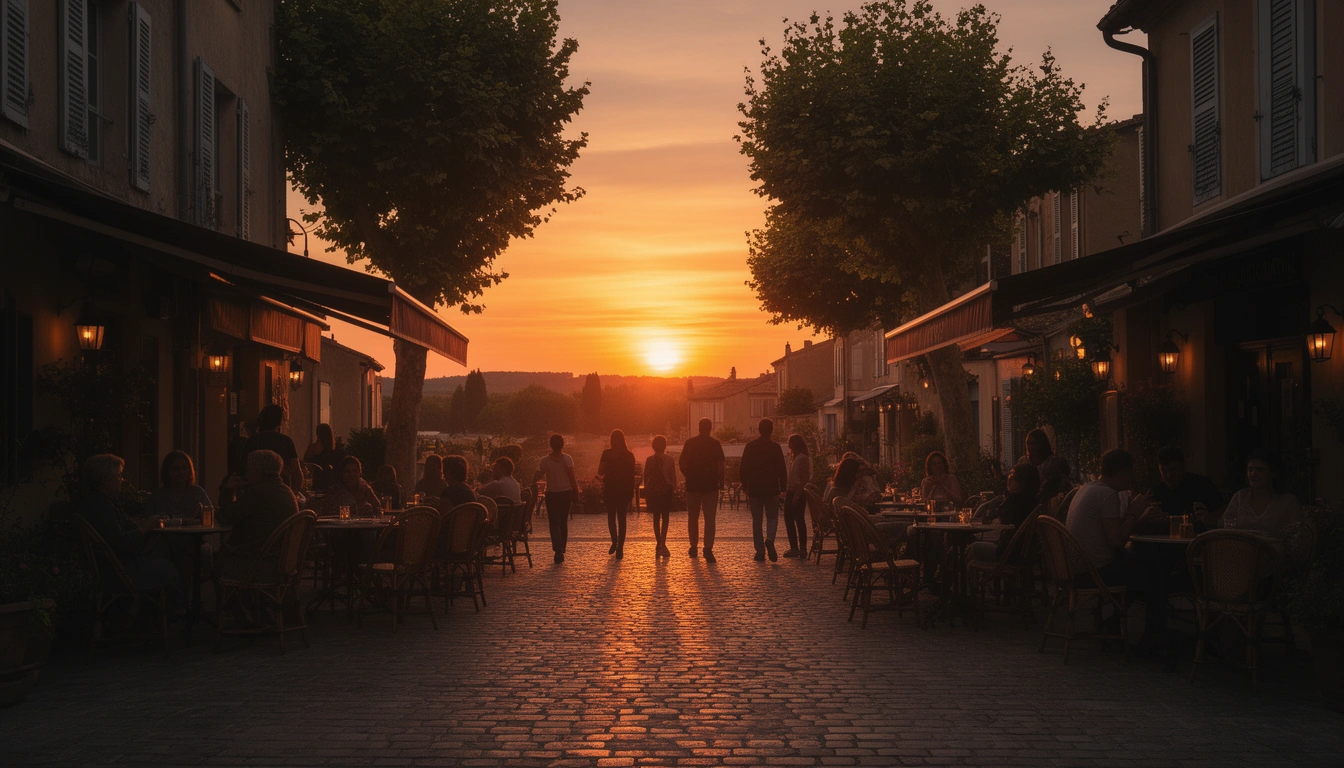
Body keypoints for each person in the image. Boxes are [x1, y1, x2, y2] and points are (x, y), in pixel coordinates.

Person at [1065, 449, 1170, 646]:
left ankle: (1115, 623)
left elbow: (1109, 531)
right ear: (1122, 472)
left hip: (1076, 568)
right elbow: (1116, 541)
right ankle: (1153, 638)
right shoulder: (1108, 495)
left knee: (1141, 563)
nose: (1132, 478)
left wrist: (1132, 516)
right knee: (1154, 572)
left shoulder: (1087, 488)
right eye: (1131, 473)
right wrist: (1133, 514)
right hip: (1094, 572)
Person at [74, 454, 181, 599]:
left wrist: (142, 524)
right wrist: (145, 528)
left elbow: (122, 527)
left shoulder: (102, 501)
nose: (122, 480)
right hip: (118, 572)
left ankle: (147, 613)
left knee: (164, 558)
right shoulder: (101, 506)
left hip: (116, 566)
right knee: (169, 567)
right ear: (106, 480)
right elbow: (120, 542)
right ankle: (172, 614)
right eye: (118, 476)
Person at [217, 450, 300, 580]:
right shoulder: (286, 491)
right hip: (283, 562)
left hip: (260, 563)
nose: (247, 474)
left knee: (219, 562)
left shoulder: (258, 492)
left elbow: (227, 516)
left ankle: (232, 599)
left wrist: (227, 490)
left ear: (257, 471)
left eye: (249, 470)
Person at [1143, 445, 1225, 532]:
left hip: (1195, 540)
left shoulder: (1201, 485)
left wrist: (1209, 518)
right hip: (1162, 541)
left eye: (1173, 469)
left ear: (1183, 466)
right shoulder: (1155, 492)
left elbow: (1222, 510)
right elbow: (1144, 518)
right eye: (1164, 470)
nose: (1169, 475)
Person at [969, 463, 1040, 563]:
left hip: (1009, 553)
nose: (1009, 479)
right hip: (1014, 550)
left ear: (1023, 482)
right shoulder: (1030, 501)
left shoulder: (1017, 502)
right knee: (969, 548)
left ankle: (954, 574)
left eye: (1013, 476)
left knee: (973, 548)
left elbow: (1003, 515)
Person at [740, 418, 788, 562]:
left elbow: (743, 468)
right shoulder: (776, 447)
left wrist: (745, 485)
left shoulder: (750, 446)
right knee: (772, 517)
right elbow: (782, 469)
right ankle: (770, 540)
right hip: (772, 488)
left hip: (755, 488)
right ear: (771, 431)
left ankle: (760, 551)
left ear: (759, 430)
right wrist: (783, 487)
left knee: (757, 520)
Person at [1222, 450, 1302, 535]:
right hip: (1242, 546)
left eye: (1260, 470)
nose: (1253, 474)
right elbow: (1225, 526)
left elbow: (1298, 536)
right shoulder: (1240, 497)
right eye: (1250, 469)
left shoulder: (1288, 501)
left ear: (1273, 473)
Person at [678, 417, 725, 563]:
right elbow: (720, 466)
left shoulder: (690, 443)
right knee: (710, 518)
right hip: (711, 485)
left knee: (693, 517)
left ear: (699, 428)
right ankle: (708, 548)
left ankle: (693, 547)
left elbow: (682, 463)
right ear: (710, 428)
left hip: (693, 485)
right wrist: (721, 482)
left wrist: (688, 475)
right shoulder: (715, 444)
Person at [243, 404, 303, 494]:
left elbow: (244, 468)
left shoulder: (253, 441)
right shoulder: (286, 441)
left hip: (257, 492)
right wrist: (294, 492)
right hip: (282, 491)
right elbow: (296, 470)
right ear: (279, 422)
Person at [538, 435, 579, 563]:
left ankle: (558, 549)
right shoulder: (567, 459)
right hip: (566, 493)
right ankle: (562, 548)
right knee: (563, 522)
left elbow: (537, 475)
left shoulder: (544, 461)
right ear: (562, 445)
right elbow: (572, 477)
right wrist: (576, 491)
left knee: (554, 523)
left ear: (551, 445)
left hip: (551, 494)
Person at [597, 430, 637, 559]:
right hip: (625, 489)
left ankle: (614, 540)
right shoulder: (629, 455)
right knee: (622, 518)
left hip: (610, 488)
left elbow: (600, 471)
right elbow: (632, 474)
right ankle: (620, 547)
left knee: (611, 516)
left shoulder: (607, 454)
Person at [144, 451, 213, 521]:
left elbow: (210, 518)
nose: (181, 472)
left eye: (185, 468)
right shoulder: (157, 497)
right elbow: (148, 522)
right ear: (167, 471)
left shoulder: (198, 493)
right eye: (176, 469)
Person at [643, 435, 677, 558]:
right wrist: (674, 488)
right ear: (665, 445)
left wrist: (647, 491)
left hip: (654, 491)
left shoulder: (649, 460)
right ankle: (663, 542)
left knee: (656, 518)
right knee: (665, 518)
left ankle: (658, 543)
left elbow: (646, 477)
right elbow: (673, 477)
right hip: (666, 490)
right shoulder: (670, 459)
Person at [782, 434, 811, 558]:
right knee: (788, 519)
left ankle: (802, 548)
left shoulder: (802, 458)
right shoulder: (792, 458)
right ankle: (794, 547)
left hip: (798, 491)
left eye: (790, 443)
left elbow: (804, 478)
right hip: (790, 491)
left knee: (799, 519)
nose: (789, 445)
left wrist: (798, 495)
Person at [302, 423, 343, 491]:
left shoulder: (313, 447)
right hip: (329, 481)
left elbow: (305, 463)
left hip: (315, 479)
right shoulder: (334, 450)